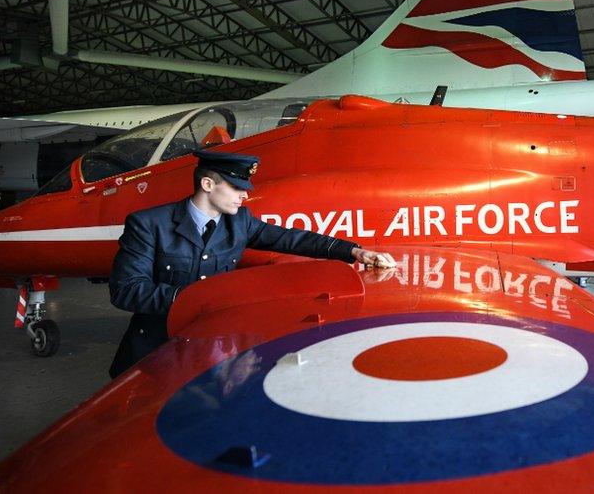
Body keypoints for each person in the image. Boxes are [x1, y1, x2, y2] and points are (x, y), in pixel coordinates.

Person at [108, 150, 394, 378]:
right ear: (207, 184)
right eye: (236, 187)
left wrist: (355, 252)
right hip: (158, 355)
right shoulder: (148, 224)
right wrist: (197, 299)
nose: (245, 194)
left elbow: (291, 239)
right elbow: (127, 290)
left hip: (213, 354)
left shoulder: (239, 221)